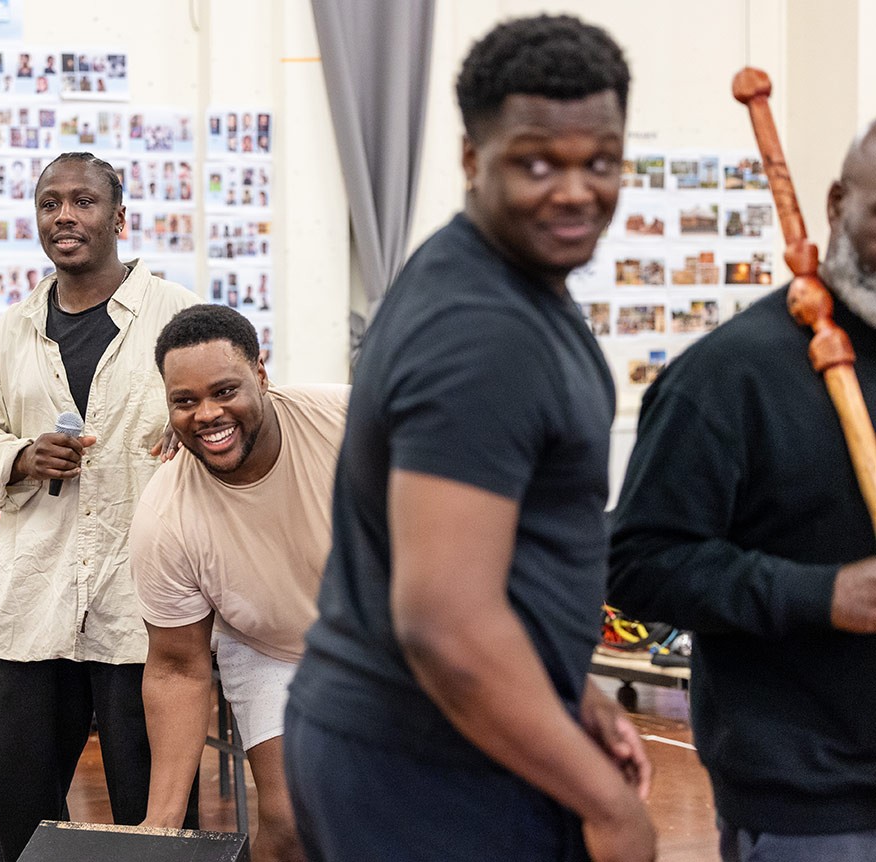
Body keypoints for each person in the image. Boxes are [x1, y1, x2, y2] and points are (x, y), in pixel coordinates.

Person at [284, 15, 654, 862]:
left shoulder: (504, 280)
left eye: (599, 161)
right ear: (469, 160)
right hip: (426, 761)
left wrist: (573, 690)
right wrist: (610, 808)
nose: (573, 190)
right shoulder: (483, 333)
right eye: (536, 162)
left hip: (431, 735)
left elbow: (504, 563)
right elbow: (446, 625)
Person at [609, 123, 876, 860]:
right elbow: (638, 564)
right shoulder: (729, 378)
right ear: (835, 202)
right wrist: (822, 594)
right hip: (815, 800)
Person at [0, 152, 200, 861]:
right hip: (33, 601)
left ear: (118, 217)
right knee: (23, 816)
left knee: (157, 813)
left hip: (144, 605)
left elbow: (230, 414)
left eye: (83, 202)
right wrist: (20, 457)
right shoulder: (13, 332)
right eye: (50, 202)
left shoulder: (178, 317)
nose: (65, 215)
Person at [132, 305, 346, 862]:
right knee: (292, 820)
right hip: (270, 647)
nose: (206, 414)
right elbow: (177, 666)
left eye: (224, 390)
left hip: (389, 636)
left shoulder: (350, 423)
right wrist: (161, 821)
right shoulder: (165, 515)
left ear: (261, 374)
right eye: (185, 401)